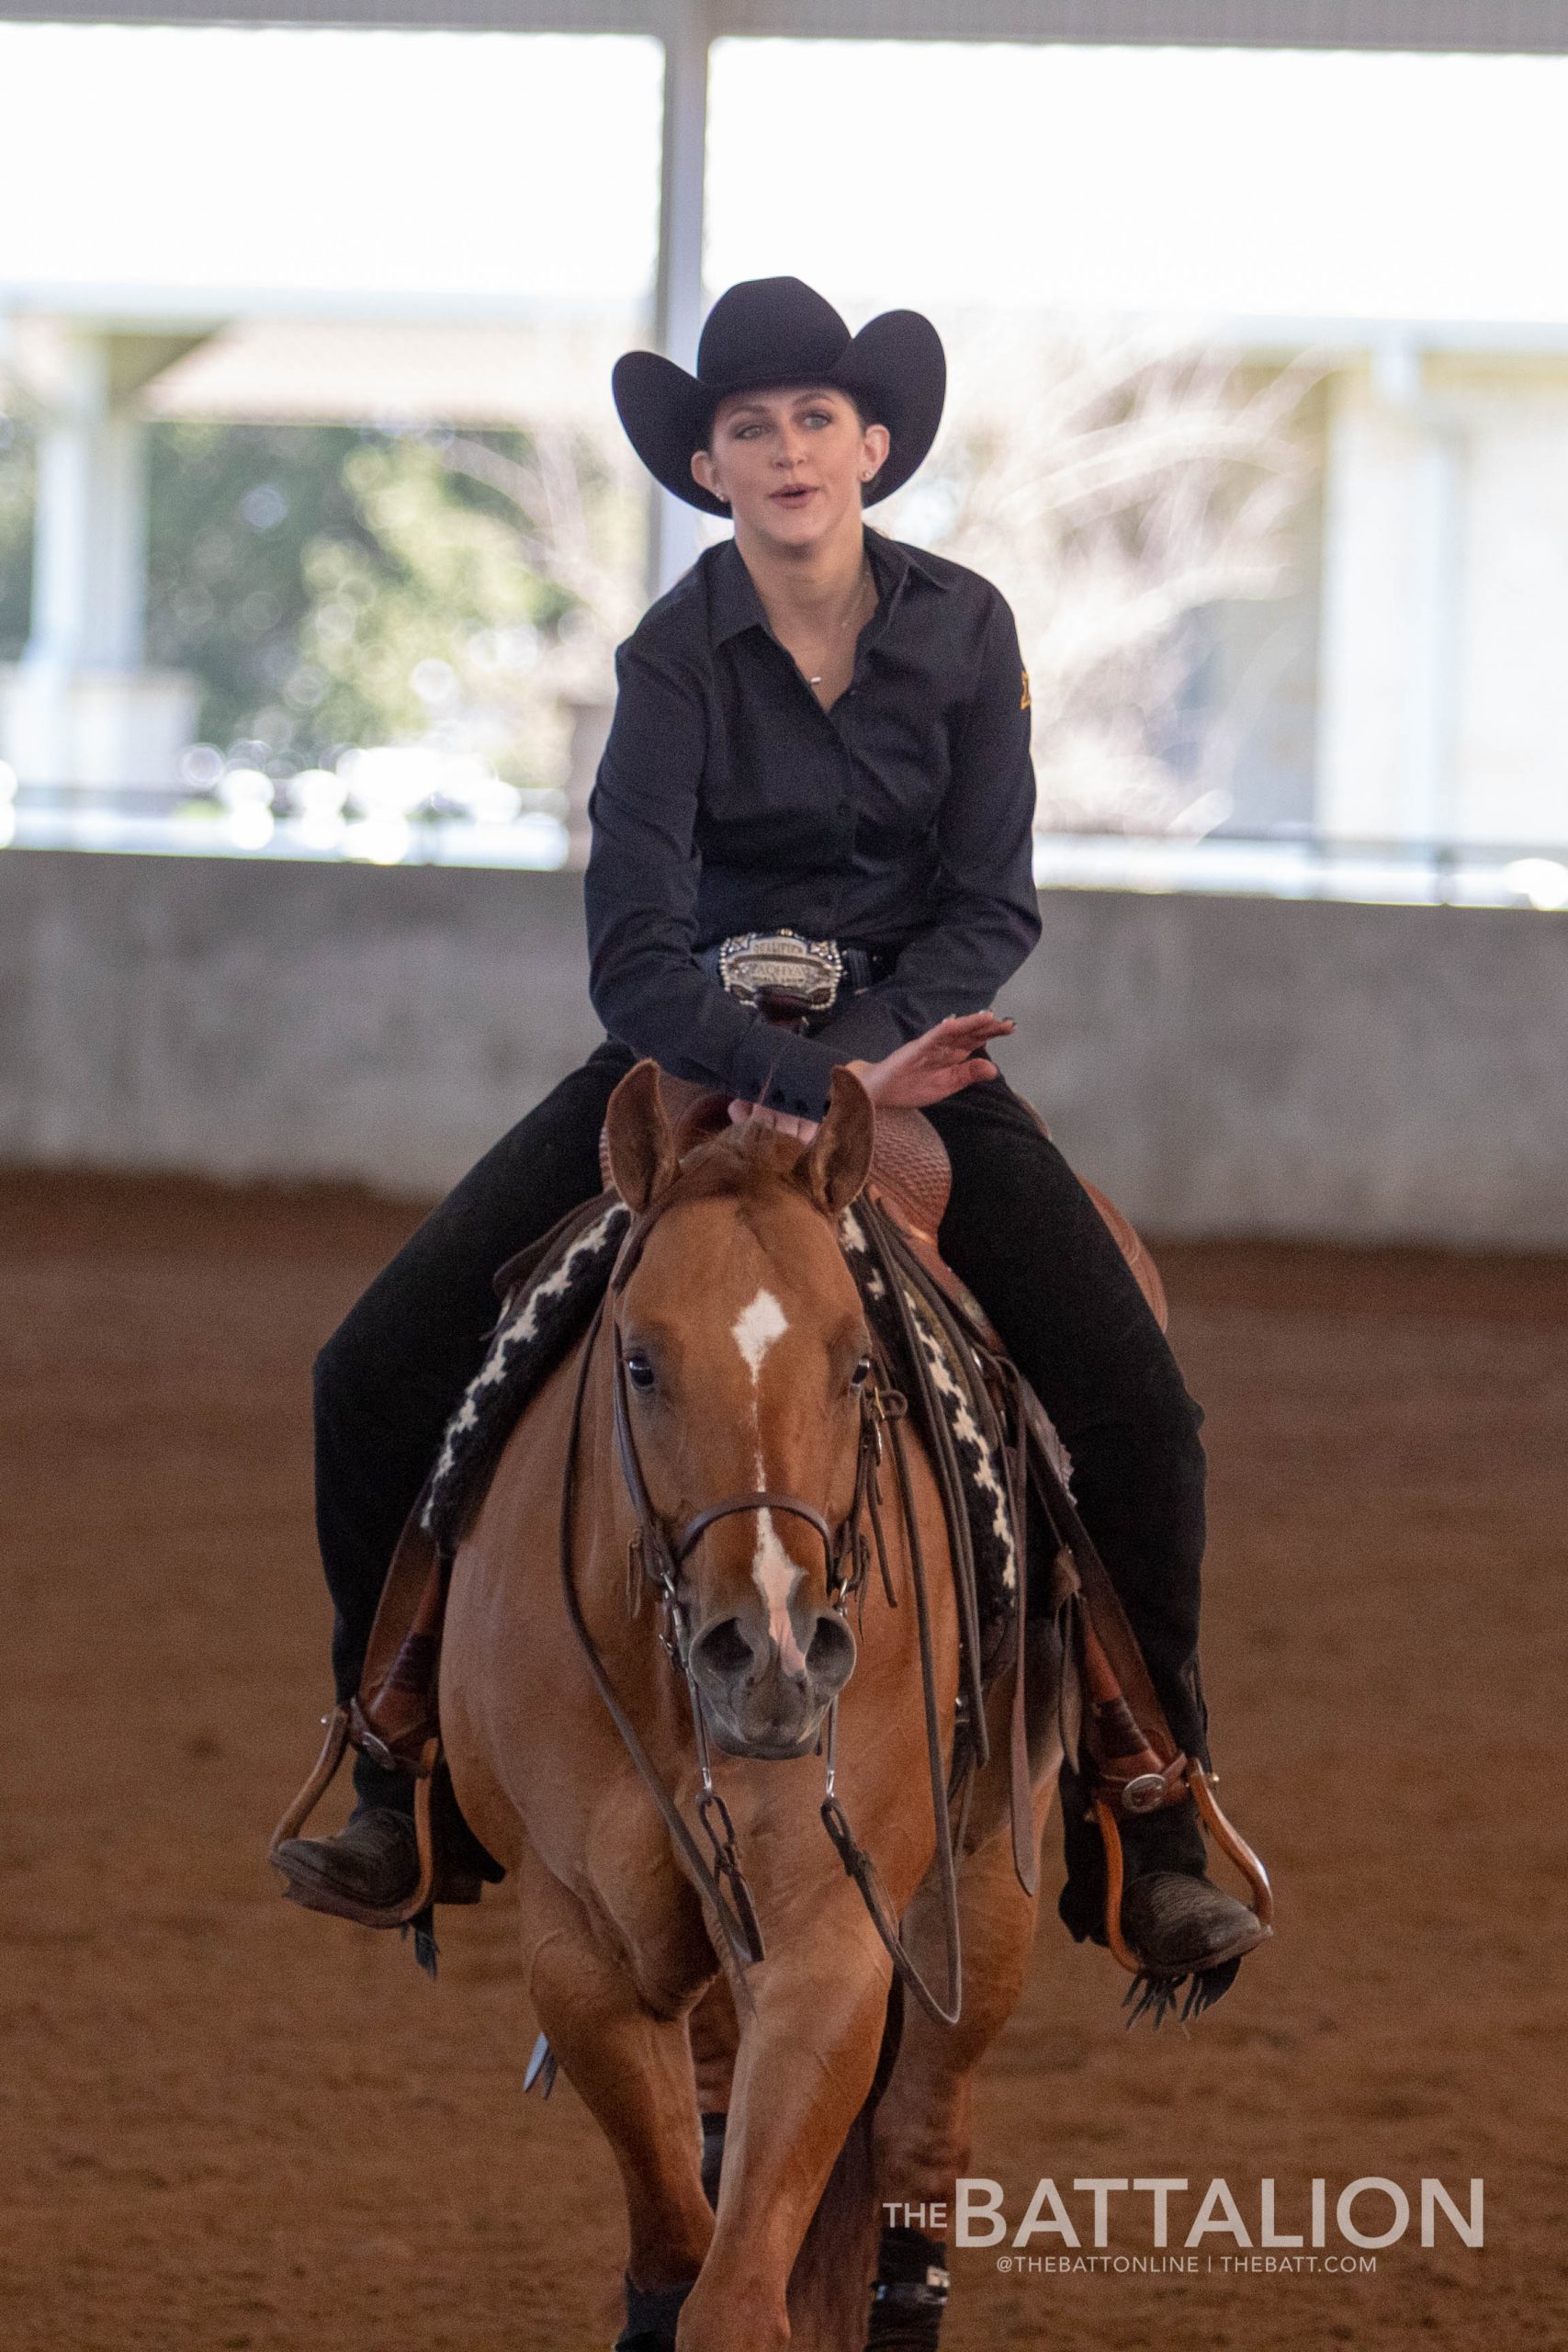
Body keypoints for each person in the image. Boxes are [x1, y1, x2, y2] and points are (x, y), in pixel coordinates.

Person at [275, 275, 1267, 1993]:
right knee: (370, 1371)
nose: (787, 449)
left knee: (1139, 1412)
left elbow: (987, 904)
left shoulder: (967, 633)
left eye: (817, 418)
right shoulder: (673, 657)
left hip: (911, 1066)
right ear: (711, 467)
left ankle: (1150, 1797)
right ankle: (399, 1762)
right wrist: (750, 1070)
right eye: (751, 427)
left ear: (873, 447)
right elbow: (631, 948)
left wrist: (859, 1079)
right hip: (685, 1065)